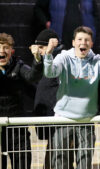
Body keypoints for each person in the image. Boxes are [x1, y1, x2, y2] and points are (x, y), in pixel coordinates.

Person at [43, 26, 100, 169]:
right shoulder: (64, 57)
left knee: (85, 162)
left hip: (86, 120)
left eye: (87, 40)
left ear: (92, 44)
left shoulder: (98, 60)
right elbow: (50, 73)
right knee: (59, 162)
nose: (84, 42)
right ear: (74, 42)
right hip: (63, 118)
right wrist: (49, 54)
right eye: (80, 39)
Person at [0, 32, 43, 168]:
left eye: (5, 47)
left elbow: (32, 77)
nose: (2, 51)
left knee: (22, 163)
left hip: (17, 129)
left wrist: (37, 58)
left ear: (11, 51)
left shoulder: (18, 66)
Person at [32, 29, 63, 169]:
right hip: (48, 117)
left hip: (57, 118)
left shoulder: (60, 62)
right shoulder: (42, 63)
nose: (37, 51)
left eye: (41, 47)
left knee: (61, 157)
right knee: (53, 155)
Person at [33, 0, 98, 49]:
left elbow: (95, 15)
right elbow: (38, 9)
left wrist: (93, 32)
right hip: (61, 38)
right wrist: (46, 23)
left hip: (82, 40)